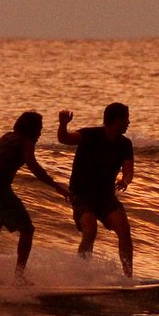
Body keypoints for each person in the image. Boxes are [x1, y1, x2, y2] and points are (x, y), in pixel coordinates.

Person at [0, 111, 71, 278]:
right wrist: (56, 186)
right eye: (39, 129)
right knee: (27, 230)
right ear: (31, 129)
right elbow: (34, 166)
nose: (40, 134)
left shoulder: (6, 136)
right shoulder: (26, 141)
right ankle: (19, 277)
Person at [57, 102, 135, 277]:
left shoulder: (125, 144)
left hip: (105, 196)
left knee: (123, 229)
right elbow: (65, 139)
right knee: (90, 229)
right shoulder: (89, 135)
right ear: (116, 120)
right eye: (126, 119)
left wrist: (125, 180)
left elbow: (128, 171)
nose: (129, 123)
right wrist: (63, 124)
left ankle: (128, 277)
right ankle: (81, 275)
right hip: (81, 194)